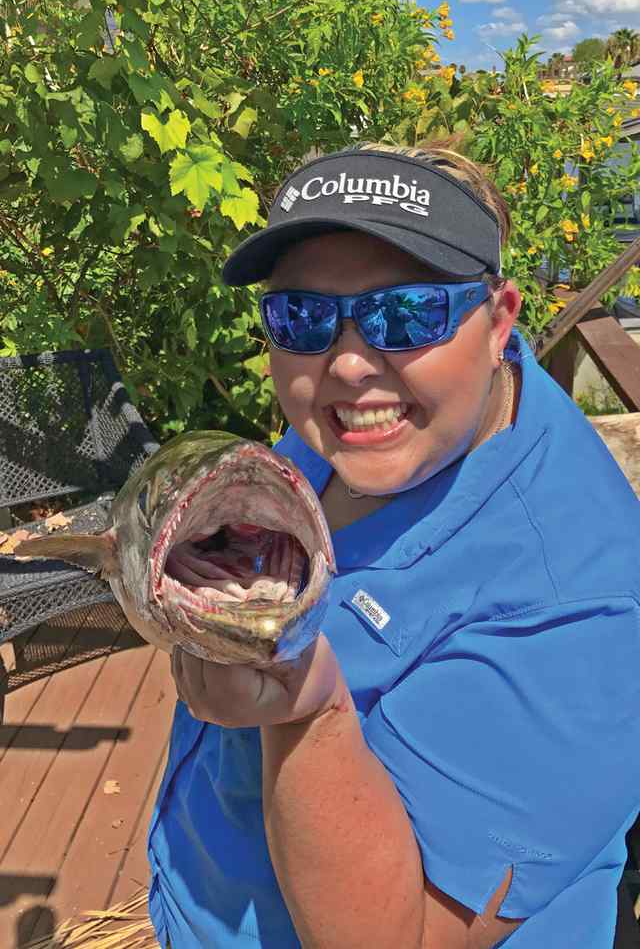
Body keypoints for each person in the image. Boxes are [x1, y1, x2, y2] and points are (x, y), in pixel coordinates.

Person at [147, 143, 640, 948]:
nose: (345, 362)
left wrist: (310, 709)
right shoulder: (381, 422)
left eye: (407, 314)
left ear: (499, 321)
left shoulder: (581, 609)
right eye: (301, 316)